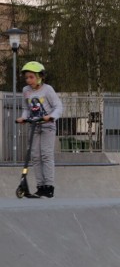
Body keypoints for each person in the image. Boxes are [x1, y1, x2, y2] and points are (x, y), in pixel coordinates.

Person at [16, 61, 63, 198]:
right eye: (26, 78)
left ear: (40, 76)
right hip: (34, 126)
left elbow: (58, 106)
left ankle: (49, 187)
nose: (28, 80)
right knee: (35, 156)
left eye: (31, 77)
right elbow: (26, 108)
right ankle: (40, 186)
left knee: (46, 155)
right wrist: (23, 118)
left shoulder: (47, 90)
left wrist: (51, 117)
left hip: (48, 126)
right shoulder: (26, 91)